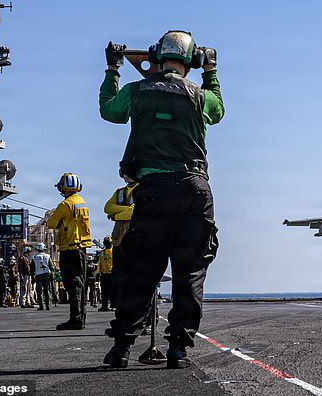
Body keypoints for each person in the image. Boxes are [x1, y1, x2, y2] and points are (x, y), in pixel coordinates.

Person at [99, 30, 224, 368]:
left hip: (154, 191)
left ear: (156, 55)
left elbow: (110, 111)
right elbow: (218, 111)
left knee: (141, 270)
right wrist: (211, 72)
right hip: (195, 190)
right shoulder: (200, 95)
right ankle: (179, 349)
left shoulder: (136, 91)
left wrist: (113, 69)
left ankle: (121, 348)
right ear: (192, 61)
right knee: (191, 272)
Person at [46, 173, 93, 330]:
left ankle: (76, 319)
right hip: (82, 249)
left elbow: (51, 223)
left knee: (72, 285)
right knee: (80, 284)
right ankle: (81, 317)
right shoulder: (82, 202)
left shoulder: (65, 205)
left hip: (69, 248)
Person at [103, 173, 138, 309]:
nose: (126, 176)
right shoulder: (119, 192)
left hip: (134, 238)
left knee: (133, 275)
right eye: (123, 173)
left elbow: (135, 211)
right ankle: (119, 304)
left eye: (129, 173)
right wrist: (126, 211)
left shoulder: (142, 189)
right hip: (118, 239)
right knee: (118, 275)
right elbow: (107, 208)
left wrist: (116, 215)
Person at [95, 236, 114, 311]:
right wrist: (99, 273)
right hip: (104, 274)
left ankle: (113, 305)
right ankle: (104, 306)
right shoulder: (101, 252)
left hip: (112, 273)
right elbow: (99, 263)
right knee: (104, 291)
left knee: (112, 291)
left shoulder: (114, 251)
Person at [31, 243, 52, 311]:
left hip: (38, 275)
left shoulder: (34, 257)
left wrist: (32, 277)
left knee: (39, 291)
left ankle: (41, 306)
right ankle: (48, 306)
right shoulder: (48, 256)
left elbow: (32, 268)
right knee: (46, 290)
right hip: (46, 274)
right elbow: (51, 266)